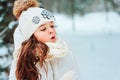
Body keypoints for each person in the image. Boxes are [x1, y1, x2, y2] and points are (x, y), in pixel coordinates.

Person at [9, 0, 80, 80]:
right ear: (31, 36)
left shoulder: (64, 54)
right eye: (43, 29)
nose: (51, 30)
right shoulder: (24, 61)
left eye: (52, 26)